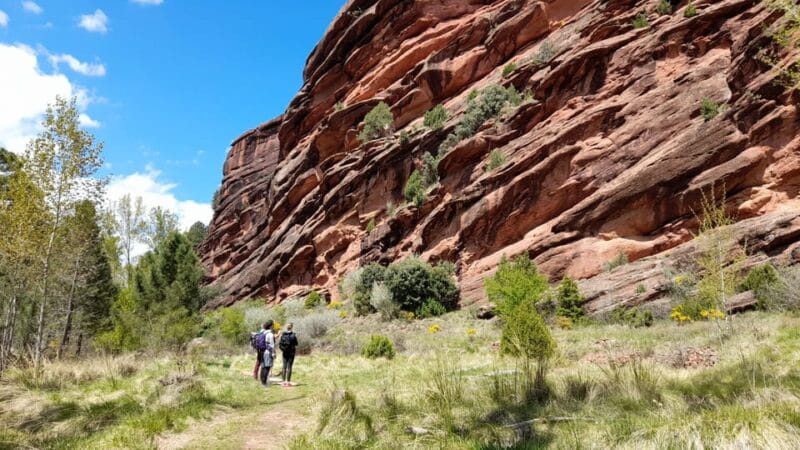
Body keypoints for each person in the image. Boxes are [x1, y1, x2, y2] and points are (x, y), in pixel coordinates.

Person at [255, 320, 275, 387]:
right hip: (268, 352)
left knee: (263, 367)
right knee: (267, 367)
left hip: (261, 351)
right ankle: (264, 383)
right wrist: (273, 353)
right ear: (271, 326)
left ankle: (262, 381)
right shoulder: (270, 334)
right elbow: (272, 345)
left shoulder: (263, 332)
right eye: (273, 325)